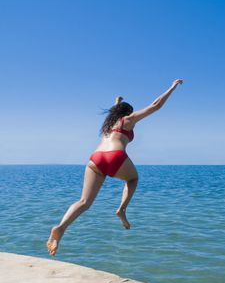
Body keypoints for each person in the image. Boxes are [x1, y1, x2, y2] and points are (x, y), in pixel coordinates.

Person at [47, 79, 183, 256]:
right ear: (127, 113)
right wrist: (171, 88)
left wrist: (117, 102)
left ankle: (60, 228)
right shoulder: (128, 119)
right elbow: (155, 105)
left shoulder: (109, 124)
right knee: (133, 179)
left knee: (84, 202)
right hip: (115, 156)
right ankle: (122, 209)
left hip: (95, 159)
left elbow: (113, 111)